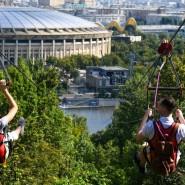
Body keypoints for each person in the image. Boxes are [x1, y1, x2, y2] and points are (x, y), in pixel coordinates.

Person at [135, 96, 185, 173]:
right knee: (177, 147)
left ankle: (142, 165)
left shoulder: (151, 125)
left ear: (164, 110)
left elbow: (138, 137)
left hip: (155, 160)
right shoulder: (180, 128)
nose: (157, 107)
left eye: (159, 105)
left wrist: (145, 116)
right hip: (172, 162)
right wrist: (181, 117)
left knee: (144, 145)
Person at [0, 79, 26, 167]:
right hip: (3, 152)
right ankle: (20, 128)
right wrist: (4, 90)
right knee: (12, 135)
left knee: (9, 136)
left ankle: (19, 128)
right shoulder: (1, 122)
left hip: (3, 150)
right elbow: (14, 107)